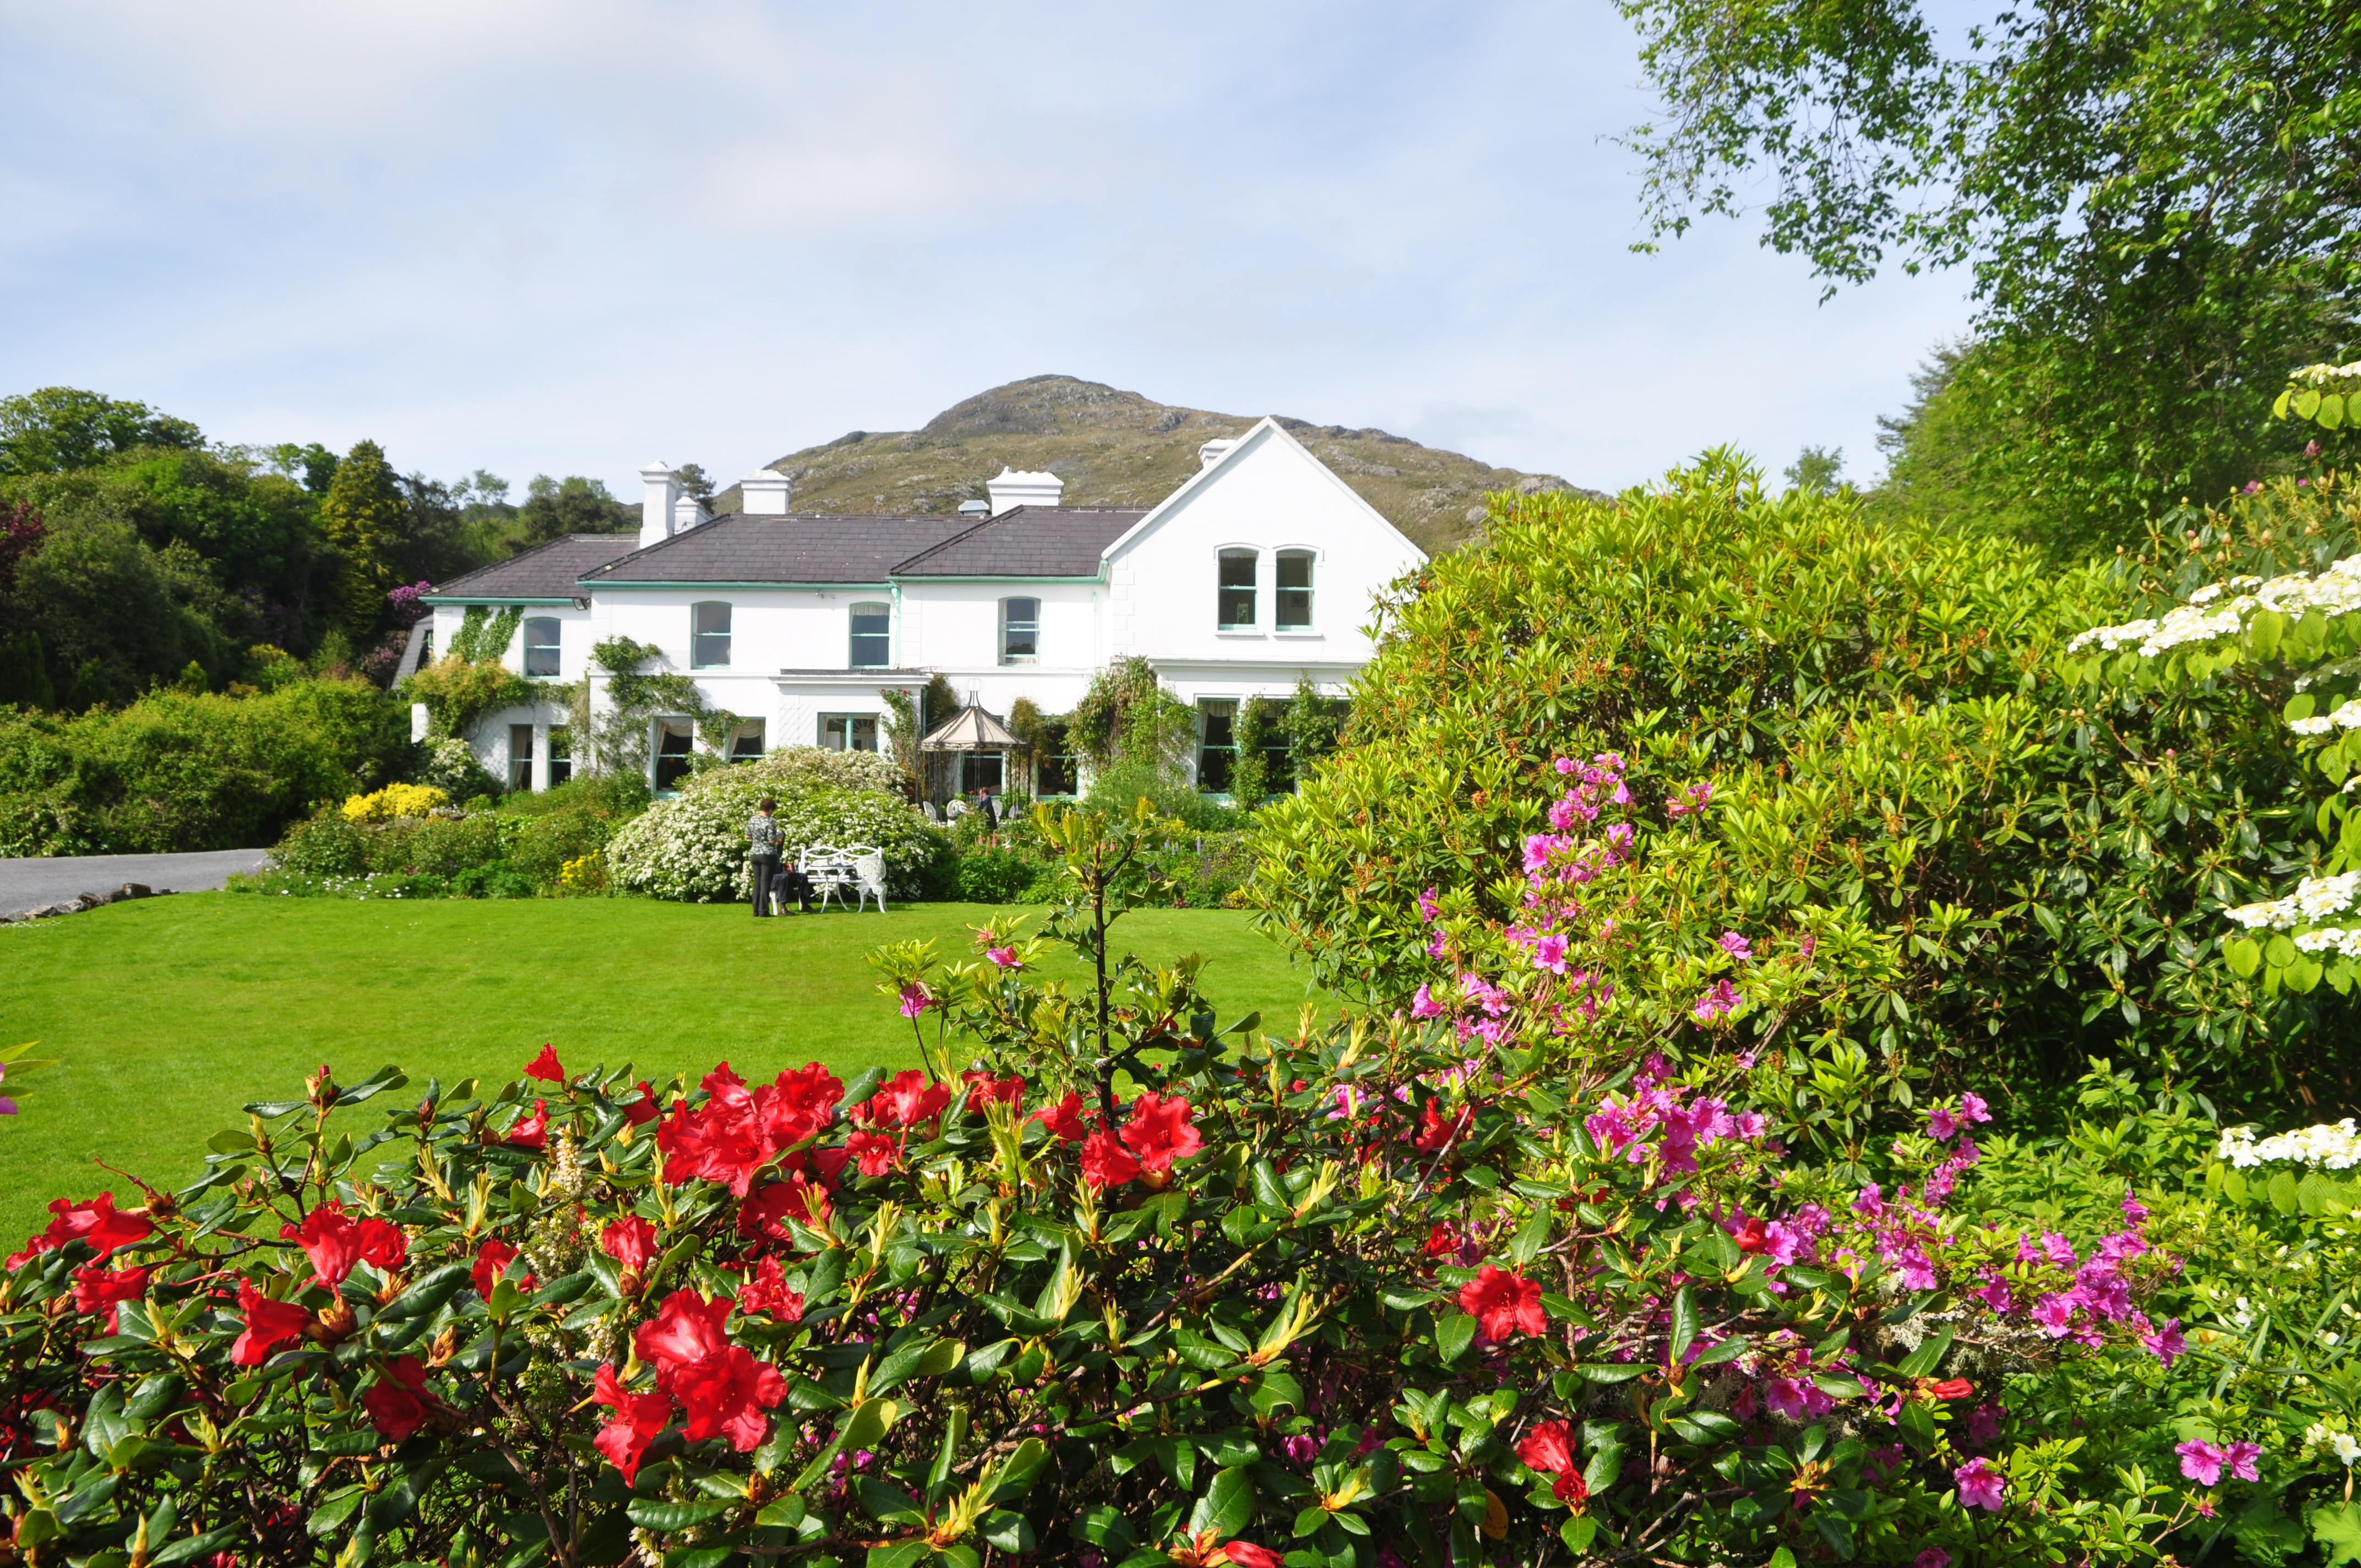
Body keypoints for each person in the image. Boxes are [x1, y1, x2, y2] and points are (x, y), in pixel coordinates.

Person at [746, 797, 784, 918]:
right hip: (767, 855)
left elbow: (747, 837)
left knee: (757, 883)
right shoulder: (770, 821)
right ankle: (764, 911)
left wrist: (758, 839)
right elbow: (772, 840)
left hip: (754, 854)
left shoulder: (752, 820)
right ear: (770, 809)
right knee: (765, 883)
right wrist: (780, 835)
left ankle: (755, 911)